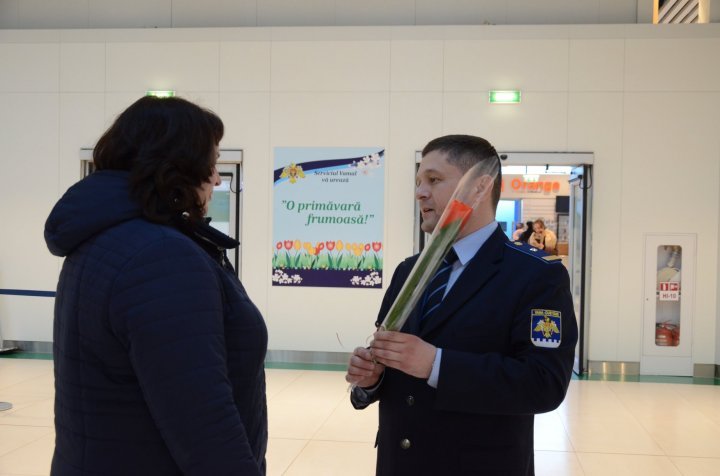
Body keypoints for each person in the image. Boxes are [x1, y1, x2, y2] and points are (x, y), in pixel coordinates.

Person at [44, 96, 268, 475]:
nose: (216, 178)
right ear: (179, 167)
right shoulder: (162, 257)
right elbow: (203, 422)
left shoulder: (102, 239)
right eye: (211, 165)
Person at [345, 134, 577, 476]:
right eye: (419, 182)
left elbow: (543, 384)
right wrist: (372, 380)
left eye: (434, 180)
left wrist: (436, 364)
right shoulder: (409, 271)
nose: (420, 192)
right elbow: (393, 365)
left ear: (479, 187)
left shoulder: (536, 275)